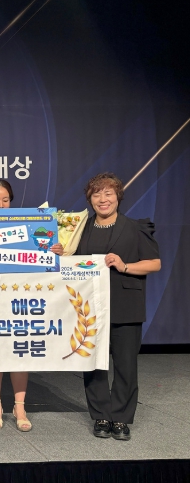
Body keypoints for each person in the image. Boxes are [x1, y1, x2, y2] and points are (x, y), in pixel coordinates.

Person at [0, 179, 62, 432]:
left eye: (5, 200)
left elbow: (44, 256)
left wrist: (55, 250)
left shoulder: (29, 224)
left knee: (21, 351)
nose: (1, 205)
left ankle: (20, 407)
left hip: (21, 296)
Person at [74, 172, 160, 441]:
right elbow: (71, 263)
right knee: (94, 364)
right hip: (90, 307)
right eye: (96, 194)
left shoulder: (135, 228)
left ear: (118, 197)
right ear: (90, 199)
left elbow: (154, 263)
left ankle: (121, 418)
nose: (103, 199)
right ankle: (101, 415)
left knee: (125, 365)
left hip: (126, 305)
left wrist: (124, 266)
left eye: (108, 193)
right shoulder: (80, 229)